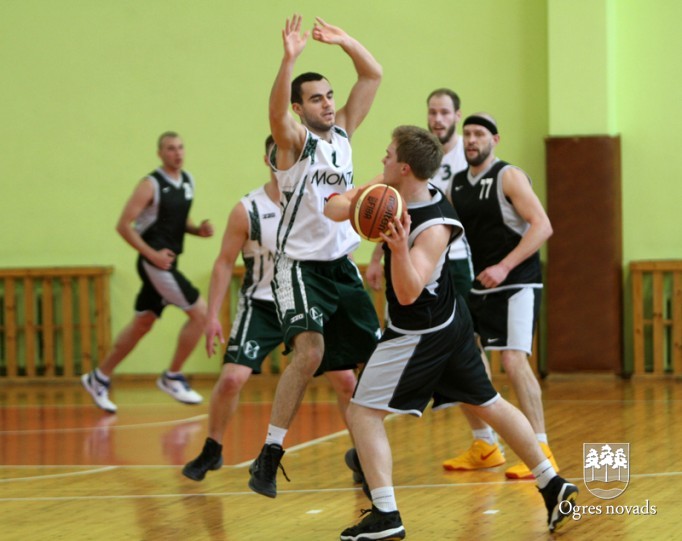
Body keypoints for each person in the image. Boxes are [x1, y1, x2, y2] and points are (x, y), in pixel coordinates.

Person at [325, 125, 577, 539]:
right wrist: (351, 202)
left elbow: (408, 294)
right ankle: (552, 483)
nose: (382, 159)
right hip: (451, 322)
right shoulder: (395, 191)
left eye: (388, 154)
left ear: (404, 167)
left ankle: (386, 515)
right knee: (487, 402)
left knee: (362, 413)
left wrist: (398, 249)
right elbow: (334, 208)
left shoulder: (432, 225)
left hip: (420, 329)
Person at [247, 14, 382, 499]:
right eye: (316, 98)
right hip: (300, 267)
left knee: (375, 359)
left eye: (328, 96)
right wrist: (288, 61)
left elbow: (372, 75)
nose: (326, 103)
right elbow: (274, 115)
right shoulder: (293, 144)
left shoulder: (342, 133)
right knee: (310, 353)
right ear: (299, 108)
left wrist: (346, 41)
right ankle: (270, 452)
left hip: (341, 266)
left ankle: (360, 449)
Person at [182, 136, 358, 482]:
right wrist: (212, 316)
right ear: (269, 160)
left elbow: (341, 249)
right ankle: (213, 448)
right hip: (263, 305)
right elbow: (223, 263)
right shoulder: (247, 209)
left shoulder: (319, 201)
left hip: (308, 299)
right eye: (280, 154)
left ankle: (362, 456)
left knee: (346, 382)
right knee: (231, 379)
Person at [364, 89, 505, 472]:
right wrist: (378, 255)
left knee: (466, 349)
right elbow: (389, 207)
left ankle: (490, 439)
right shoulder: (410, 157)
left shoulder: (464, 155)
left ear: (457, 116)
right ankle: (486, 441)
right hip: (410, 253)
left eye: (444, 112)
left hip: (452, 261)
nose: (438, 118)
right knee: (455, 354)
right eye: (432, 112)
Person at [445, 113, 558, 480]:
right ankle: (485, 444)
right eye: (467, 134)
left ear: (495, 140)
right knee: (462, 359)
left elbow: (543, 226)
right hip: (482, 283)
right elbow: (442, 228)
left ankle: (541, 449)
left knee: (512, 360)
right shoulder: (457, 184)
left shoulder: (508, 176)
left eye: (479, 134)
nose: (471, 140)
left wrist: (505, 266)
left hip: (517, 281)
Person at [82, 132, 213, 413]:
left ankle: (99, 377)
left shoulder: (187, 181)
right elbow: (123, 225)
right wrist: (151, 254)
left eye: (180, 147)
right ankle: (172, 376)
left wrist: (197, 230)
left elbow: (176, 219)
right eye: (170, 148)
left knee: (142, 323)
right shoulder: (150, 184)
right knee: (201, 313)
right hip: (155, 264)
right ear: (160, 153)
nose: (177, 153)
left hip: (169, 262)